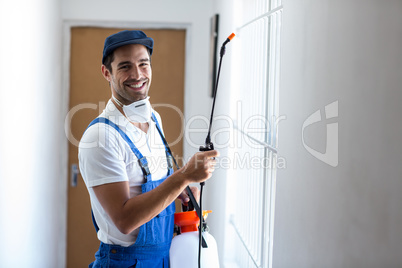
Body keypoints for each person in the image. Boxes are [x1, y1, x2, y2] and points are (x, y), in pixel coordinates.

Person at [78, 30, 219, 267]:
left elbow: (152, 184)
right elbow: (125, 219)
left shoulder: (154, 119)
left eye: (143, 64)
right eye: (125, 67)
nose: (137, 74)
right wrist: (183, 176)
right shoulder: (101, 137)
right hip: (126, 262)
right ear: (107, 73)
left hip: (164, 257)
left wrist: (181, 189)